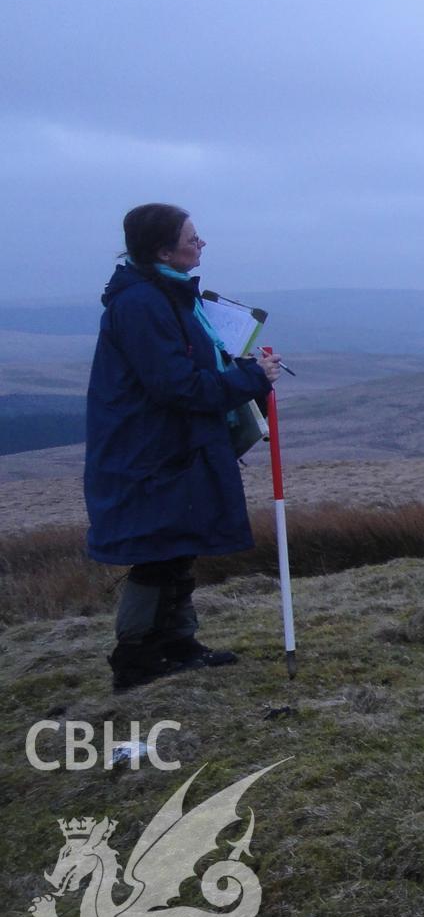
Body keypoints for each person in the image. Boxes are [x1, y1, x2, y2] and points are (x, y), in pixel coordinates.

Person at [84, 205, 283, 690]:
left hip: (173, 447)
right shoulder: (143, 305)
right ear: (162, 250)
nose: (202, 244)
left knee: (177, 546)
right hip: (152, 452)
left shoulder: (166, 297)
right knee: (156, 552)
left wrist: (241, 375)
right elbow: (176, 386)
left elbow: (191, 367)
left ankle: (177, 644)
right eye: (192, 238)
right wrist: (248, 379)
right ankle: (135, 659)